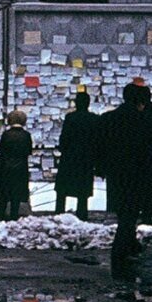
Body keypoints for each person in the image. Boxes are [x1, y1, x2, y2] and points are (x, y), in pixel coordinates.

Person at [95, 81, 152, 278]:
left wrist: (102, 168)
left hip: (115, 173)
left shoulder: (108, 119)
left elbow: (100, 145)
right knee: (131, 211)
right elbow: (148, 151)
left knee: (123, 210)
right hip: (137, 173)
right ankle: (121, 250)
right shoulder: (144, 122)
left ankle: (130, 245)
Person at [54, 92, 100, 220]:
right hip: (86, 159)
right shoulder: (94, 119)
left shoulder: (70, 118)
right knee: (82, 192)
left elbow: (64, 138)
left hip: (69, 158)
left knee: (62, 190)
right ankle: (82, 216)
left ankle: (59, 215)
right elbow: (96, 141)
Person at [0, 110, 33, 221]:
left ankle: (0, 216)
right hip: (20, 168)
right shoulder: (26, 135)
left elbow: (2, 149)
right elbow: (28, 151)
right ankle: (14, 217)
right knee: (16, 197)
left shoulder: (6, 135)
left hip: (5, 168)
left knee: (3, 196)